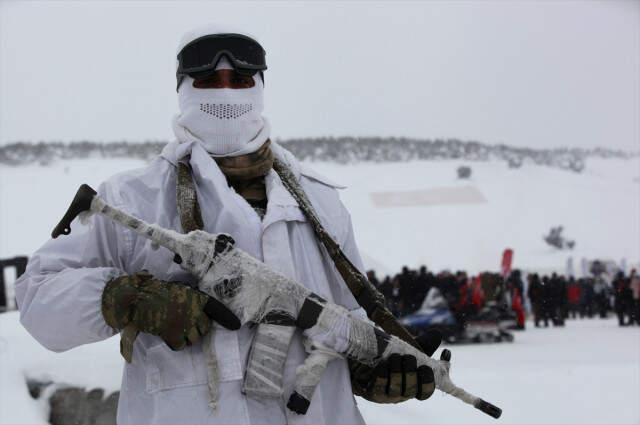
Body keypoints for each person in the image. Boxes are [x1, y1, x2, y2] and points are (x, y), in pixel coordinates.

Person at [14, 25, 438, 425]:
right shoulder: (133, 199)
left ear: (260, 88)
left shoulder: (320, 202)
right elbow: (37, 297)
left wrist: (371, 371)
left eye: (239, 79)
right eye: (209, 80)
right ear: (182, 89)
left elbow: (344, 320)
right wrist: (124, 297)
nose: (226, 91)